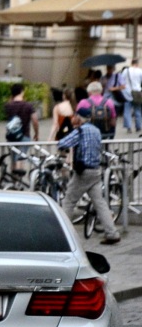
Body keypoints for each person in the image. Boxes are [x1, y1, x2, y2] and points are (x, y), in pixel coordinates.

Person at [58, 102, 120, 245]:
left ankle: (62, 234)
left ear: (80, 118)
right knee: (100, 203)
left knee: (69, 201)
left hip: (83, 172)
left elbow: (62, 143)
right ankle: (112, 233)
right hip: (96, 171)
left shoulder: (80, 131)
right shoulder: (96, 131)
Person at [122, 58, 142, 134]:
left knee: (127, 110)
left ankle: (129, 127)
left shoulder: (126, 71)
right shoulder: (140, 71)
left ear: (131, 63)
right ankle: (138, 126)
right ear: (137, 63)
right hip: (137, 92)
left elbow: (122, 80)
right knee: (137, 109)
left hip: (127, 92)